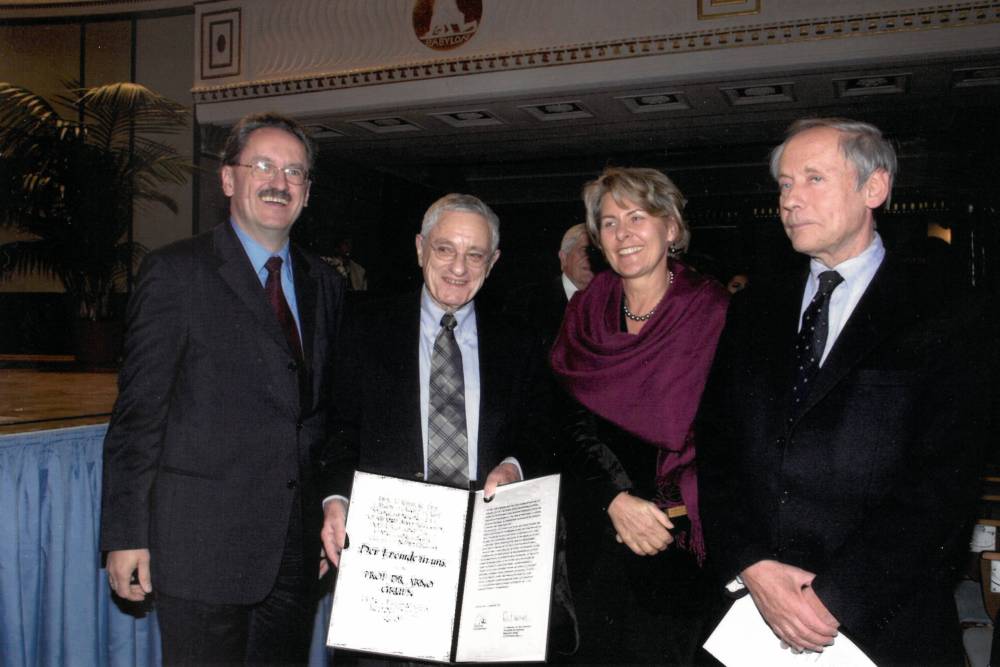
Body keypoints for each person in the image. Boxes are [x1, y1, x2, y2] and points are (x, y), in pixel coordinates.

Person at [697, 118, 994, 666]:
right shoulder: (753, 308)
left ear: (874, 188)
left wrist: (836, 600)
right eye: (784, 184)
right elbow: (717, 451)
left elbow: (945, 480)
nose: (790, 200)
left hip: (883, 619)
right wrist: (753, 567)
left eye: (813, 179)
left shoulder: (945, 308)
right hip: (754, 616)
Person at [101, 112, 344, 664]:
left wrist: (326, 511)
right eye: (263, 166)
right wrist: (125, 534)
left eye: (295, 171)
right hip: (199, 546)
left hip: (293, 552)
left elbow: (320, 415)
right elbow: (139, 414)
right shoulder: (175, 273)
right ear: (229, 179)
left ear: (307, 193)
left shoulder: (325, 284)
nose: (279, 182)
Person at [549, 167, 729, 664]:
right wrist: (612, 498)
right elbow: (563, 423)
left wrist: (657, 509)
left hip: (678, 541)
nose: (623, 233)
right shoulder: (585, 312)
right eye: (608, 223)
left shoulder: (713, 312)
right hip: (594, 533)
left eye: (637, 217)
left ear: (671, 228)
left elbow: (729, 436)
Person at [320, 192, 543, 589]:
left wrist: (514, 465)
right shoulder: (363, 329)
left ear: (492, 264)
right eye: (444, 249)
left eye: (475, 255)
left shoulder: (519, 341)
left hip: (486, 557)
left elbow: (540, 433)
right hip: (387, 556)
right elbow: (338, 431)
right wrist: (335, 498)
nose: (458, 267)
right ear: (421, 249)